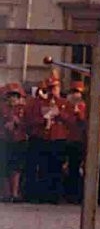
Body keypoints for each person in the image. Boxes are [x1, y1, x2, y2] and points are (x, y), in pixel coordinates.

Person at [24, 73, 69, 203]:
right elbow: (30, 119)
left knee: (56, 167)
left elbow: (72, 120)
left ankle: (55, 195)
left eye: (55, 88)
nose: (52, 91)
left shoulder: (64, 103)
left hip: (58, 138)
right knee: (43, 167)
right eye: (50, 88)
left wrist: (60, 114)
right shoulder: (38, 103)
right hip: (43, 137)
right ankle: (42, 194)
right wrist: (42, 120)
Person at [61, 81, 87, 204]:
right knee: (71, 168)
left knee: (80, 169)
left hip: (81, 141)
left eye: (78, 92)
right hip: (69, 139)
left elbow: (85, 122)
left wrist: (79, 114)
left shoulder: (84, 106)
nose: (76, 95)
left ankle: (79, 194)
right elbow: (64, 119)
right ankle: (70, 194)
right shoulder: (66, 105)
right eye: (74, 92)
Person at [1, 84, 28, 201]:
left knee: (16, 168)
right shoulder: (2, 108)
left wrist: (18, 122)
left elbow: (28, 123)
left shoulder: (23, 109)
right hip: (4, 140)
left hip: (18, 140)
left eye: (15, 96)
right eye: (10, 96)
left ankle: (15, 193)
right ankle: (5, 193)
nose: (13, 99)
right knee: (4, 167)